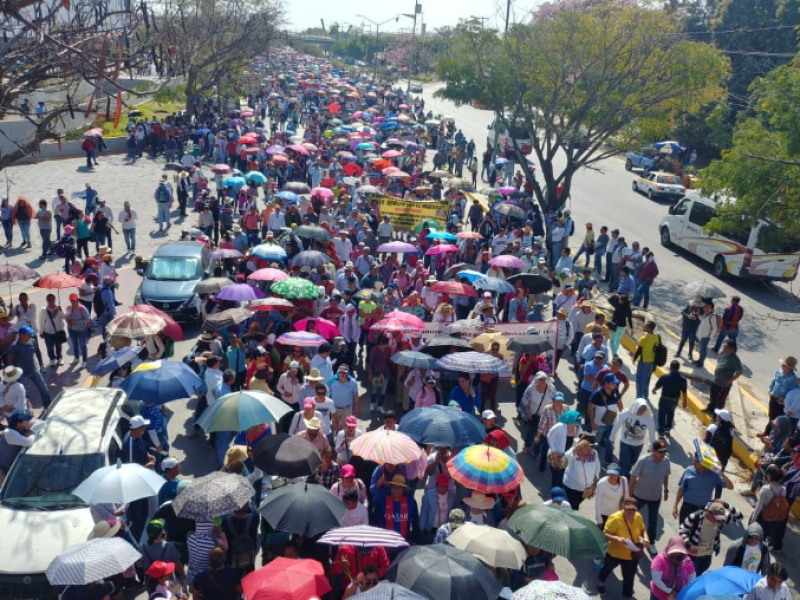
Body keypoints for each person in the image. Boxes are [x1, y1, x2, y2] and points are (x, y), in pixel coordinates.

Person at [597, 498, 649, 600]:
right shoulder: (614, 518)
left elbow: (643, 529)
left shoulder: (638, 516)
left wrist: (646, 538)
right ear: (623, 507)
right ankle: (600, 582)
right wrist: (617, 538)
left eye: (633, 510)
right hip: (615, 553)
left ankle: (627, 596)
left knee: (629, 577)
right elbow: (605, 534)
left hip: (631, 554)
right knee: (607, 569)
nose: (631, 512)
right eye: (628, 509)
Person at [679, 500, 744, 575]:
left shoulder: (721, 520)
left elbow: (740, 516)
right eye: (715, 518)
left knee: (697, 574)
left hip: (707, 556)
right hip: (693, 555)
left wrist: (726, 505)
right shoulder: (695, 517)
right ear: (709, 512)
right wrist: (688, 545)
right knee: (687, 576)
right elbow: (682, 530)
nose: (717, 520)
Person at [630, 440, 671, 555]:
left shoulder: (666, 461)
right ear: (653, 451)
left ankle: (651, 542)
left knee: (653, 521)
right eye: (660, 452)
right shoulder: (643, 461)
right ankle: (632, 538)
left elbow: (666, 476)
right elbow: (633, 478)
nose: (663, 454)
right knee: (632, 517)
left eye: (664, 452)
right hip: (639, 495)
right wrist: (630, 496)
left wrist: (666, 490)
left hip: (655, 497)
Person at [673, 456, 733, 523]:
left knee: (698, 533)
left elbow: (730, 486)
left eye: (696, 461)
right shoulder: (688, 471)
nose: (693, 463)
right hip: (687, 508)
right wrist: (675, 505)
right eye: (694, 460)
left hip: (703, 511)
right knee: (683, 531)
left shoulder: (713, 475)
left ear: (704, 463)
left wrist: (721, 473)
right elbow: (681, 489)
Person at [608, 398, 655, 477]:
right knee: (624, 463)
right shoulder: (626, 414)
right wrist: (612, 437)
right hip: (626, 443)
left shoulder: (648, 417)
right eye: (640, 408)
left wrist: (651, 446)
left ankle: (629, 478)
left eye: (643, 409)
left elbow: (652, 431)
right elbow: (616, 425)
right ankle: (623, 480)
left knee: (633, 463)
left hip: (639, 445)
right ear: (635, 407)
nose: (641, 411)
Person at [7, 325, 51, 409]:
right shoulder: (14, 346)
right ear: (21, 335)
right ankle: (28, 411)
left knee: (43, 388)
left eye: (30, 333)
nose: (30, 335)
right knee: (25, 393)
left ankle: (48, 406)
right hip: (22, 374)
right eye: (28, 334)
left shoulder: (32, 341)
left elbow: (35, 352)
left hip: (33, 370)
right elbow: (10, 358)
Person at [750, 466, 790, 552]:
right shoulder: (783, 490)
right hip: (774, 518)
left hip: (763, 517)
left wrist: (753, 519)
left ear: (769, 476)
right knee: (765, 538)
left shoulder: (765, 489)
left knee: (757, 538)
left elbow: (759, 506)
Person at [649, 535, 696, 600]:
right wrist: (671, 591)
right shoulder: (659, 560)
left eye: (679, 552)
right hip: (659, 595)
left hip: (678, 596)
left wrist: (682, 593)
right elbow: (657, 580)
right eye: (674, 552)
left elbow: (691, 579)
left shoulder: (687, 561)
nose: (676, 555)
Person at [378, 474, 419, 543]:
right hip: (385, 543)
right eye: (394, 487)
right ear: (390, 488)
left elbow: (415, 523)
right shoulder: (381, 501)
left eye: (399, 487)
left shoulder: (411, 502)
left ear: (403, 489)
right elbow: (375, 522)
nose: (396, 490)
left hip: (404, 543)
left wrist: (414, 541)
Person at [705, 339, 742, 413]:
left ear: (731, 349)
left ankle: (717, 416)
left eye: (725, 347)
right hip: (716, 380)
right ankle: (710, 409)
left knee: (720, 401)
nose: (723, 348)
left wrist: (730, 380)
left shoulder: (735, 360)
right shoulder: (723, 353)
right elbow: (719, 358)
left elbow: (739, 372)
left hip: (723, 385)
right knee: (713, 396)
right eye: (724, 347)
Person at [652, 360, 688, 437]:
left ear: (670, 368)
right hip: (674, 401)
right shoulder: (683, 379)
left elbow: (657, 386)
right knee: (670, 414)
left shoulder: (665, 376)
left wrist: (653, 391)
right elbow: (684, 392)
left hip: (664, 399)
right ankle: (668, 429)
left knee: (661, 415)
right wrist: (685, 402)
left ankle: (661, 431)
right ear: (678, 368)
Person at [420, 474, 456, 539]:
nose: (443, 489)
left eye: (445, 486)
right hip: (431, 528)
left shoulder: (452, 495)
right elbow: (424, 512)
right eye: (441, 486)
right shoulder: (429, 495)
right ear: (436, 485)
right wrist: (421, 528)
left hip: (445, 529)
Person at [595, 464, 629, 529]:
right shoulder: (601, 483)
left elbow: (626, 498)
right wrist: (599, 519)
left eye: (615, 474)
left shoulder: (624, 481)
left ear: (619, 474)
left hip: (618, 514)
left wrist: (626, 513)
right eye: (610, 474)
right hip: (604, 515)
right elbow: (598, 502)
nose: (612, 476)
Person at [633, 320, 659, 400]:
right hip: (651, 362)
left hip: (643, 361)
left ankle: (639, 398)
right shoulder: (657, 337)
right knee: (647, 379)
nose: (644, 326)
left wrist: (634, 359)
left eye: (645, 325)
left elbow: (639, 350)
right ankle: (646, 395)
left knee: (639, 380)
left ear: (650, 328)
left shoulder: (644, 338)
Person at [65, 293, 90, 366]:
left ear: (77, 300)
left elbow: (87, 319)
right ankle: (76, 358)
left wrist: (76, 322)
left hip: (81, 330)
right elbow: (66, 316)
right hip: (71, 330)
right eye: (71, 300)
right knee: (74, 345)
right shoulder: (68, 308)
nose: (72, 302)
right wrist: (67, 320)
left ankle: (84, 360)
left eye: (74, 300)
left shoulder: (82, 308)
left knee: (82, 345)